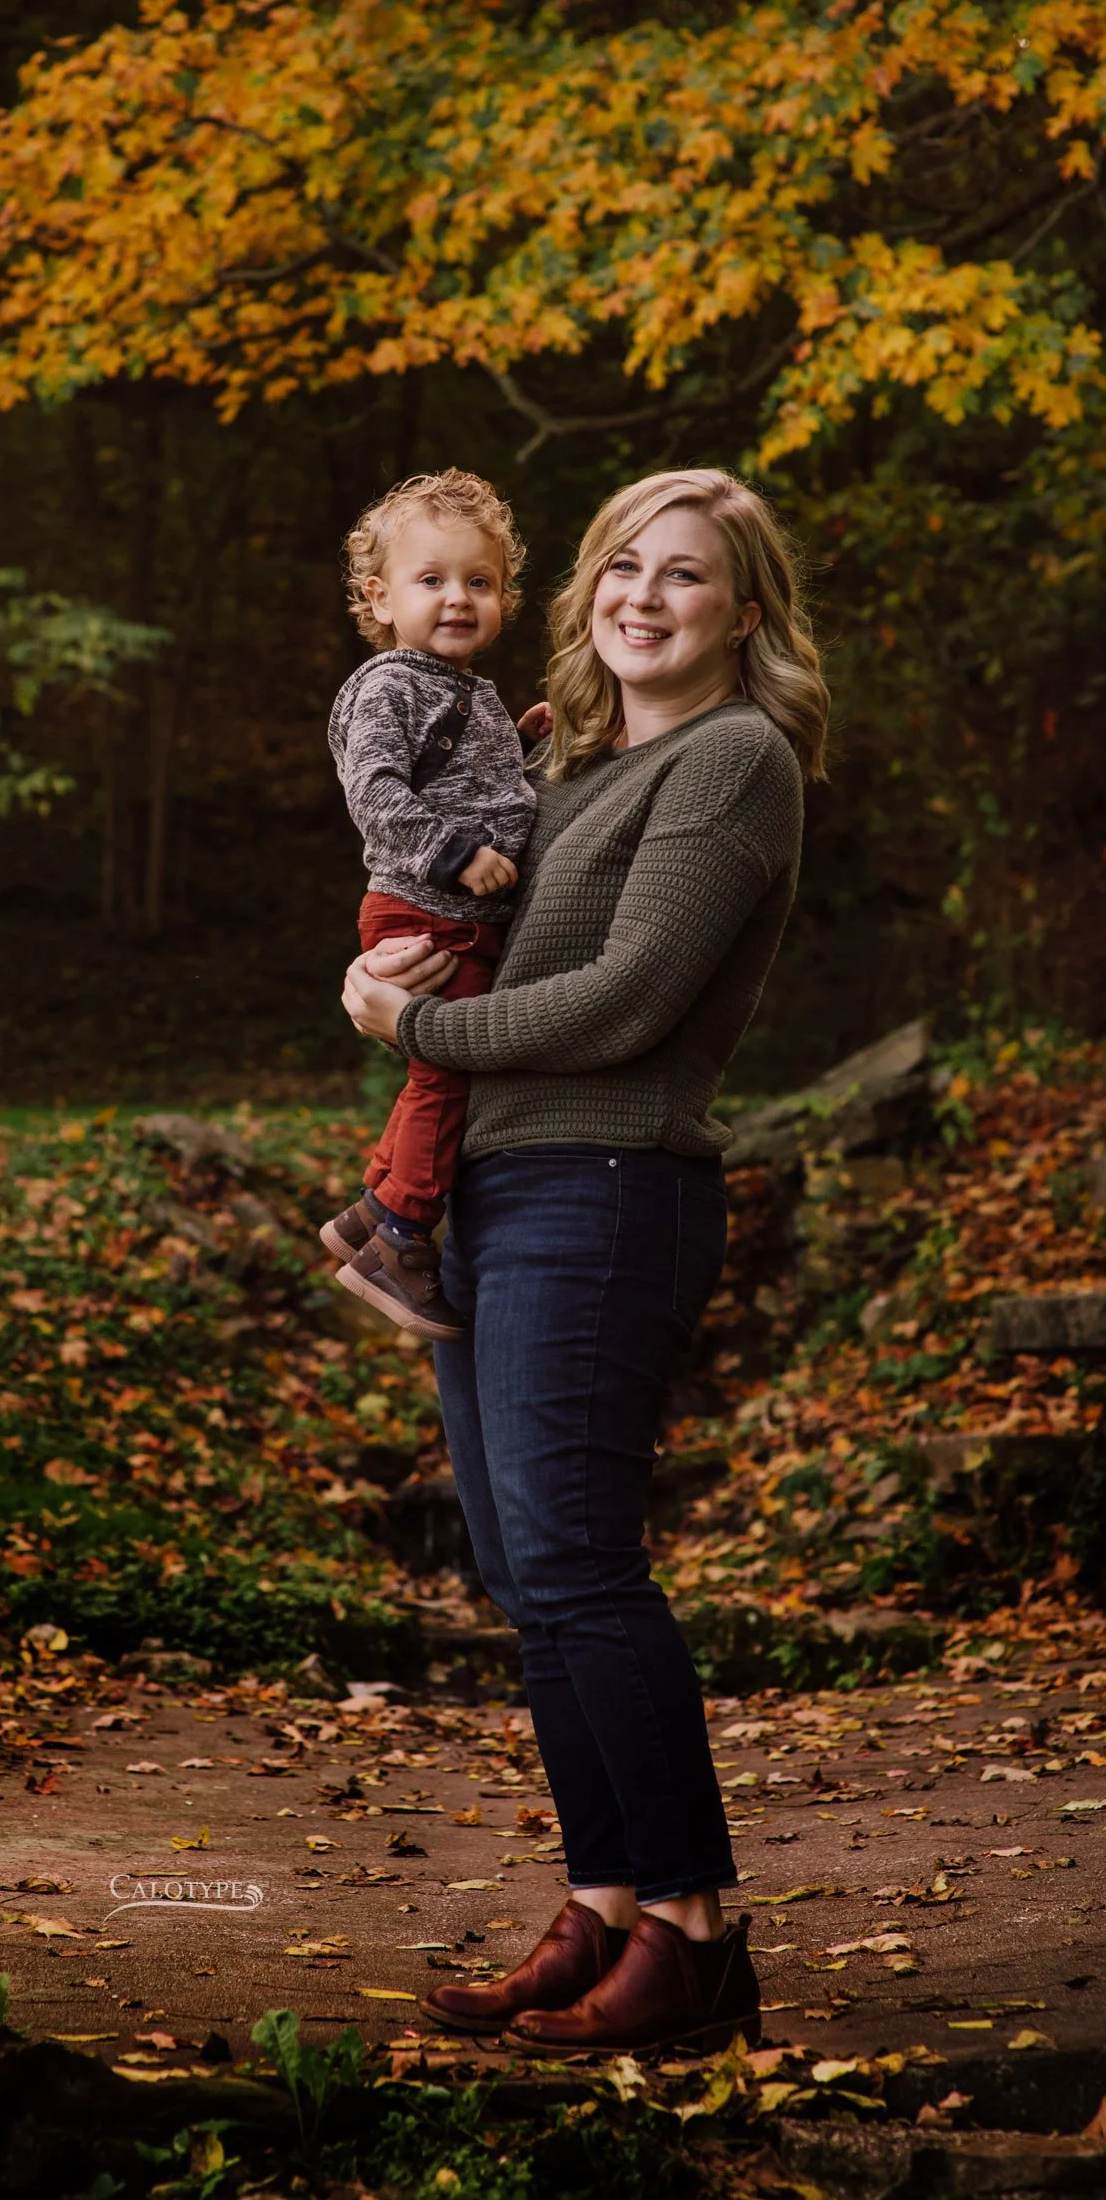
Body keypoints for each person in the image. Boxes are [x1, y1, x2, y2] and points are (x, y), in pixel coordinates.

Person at [341, 467, 830, 2054]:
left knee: (579, 1565)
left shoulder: (737, 758)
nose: (641, 594)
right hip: (494, 1184)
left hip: (606, 1183)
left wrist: (417, 1021)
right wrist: (404, 958)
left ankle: (691, 1927)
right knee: (520, 1577)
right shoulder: (566, 765)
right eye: (622, 565)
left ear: (743, 612)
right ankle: (607, 1900)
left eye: (683, 575)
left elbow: (625, 1001)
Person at [320, 469, 549, 1340]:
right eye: (433, 580)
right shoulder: (390, 686)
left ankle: (367, 1212)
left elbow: (467, 786)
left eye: (479, 582)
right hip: (425, 908)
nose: (459, 598)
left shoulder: (466, 690)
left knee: (440, 1071)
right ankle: (402, 1235)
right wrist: (453, 856)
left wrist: (517, 752)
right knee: (449, 1071)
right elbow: (375, 791)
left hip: (449, 908)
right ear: (381, 598)